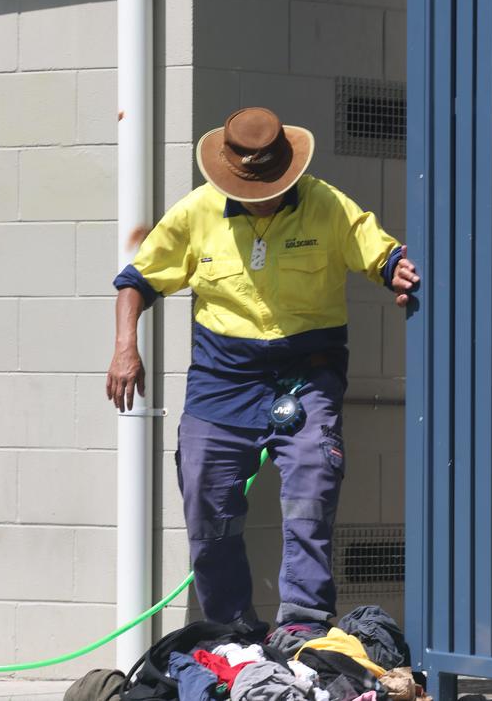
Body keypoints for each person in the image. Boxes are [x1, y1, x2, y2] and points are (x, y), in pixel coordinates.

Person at [106, 107, 419, 632]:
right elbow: (137, 279)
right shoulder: (196, 212)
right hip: (221, 377)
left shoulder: (325, 204)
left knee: (311, 492)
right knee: (207, 502)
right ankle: (232, 630)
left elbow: (377, 251)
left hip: (306, 374)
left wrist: (395, 272)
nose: (261, 197)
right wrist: (124, 346)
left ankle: (303, 627)